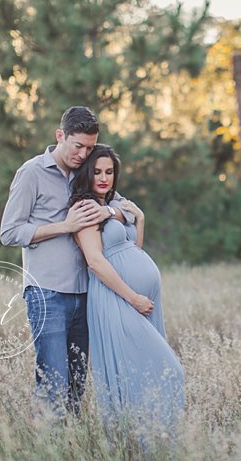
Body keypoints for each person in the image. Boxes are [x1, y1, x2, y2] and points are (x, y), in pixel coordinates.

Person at [0, 106, 121, 417]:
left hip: (86, 294)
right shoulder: (31, 173)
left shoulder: (86, 172)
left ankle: (71, 445)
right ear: (60, 136)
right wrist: (65, 226)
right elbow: (9, 232)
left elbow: (123, 206)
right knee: (53, 382)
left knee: (77, 385)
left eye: (90, 148)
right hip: (47, 293)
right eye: (77, 145)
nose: (83, 154)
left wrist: (109, 211)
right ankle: (47, 445)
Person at [70, 144, 184, 437]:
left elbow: (133, 250)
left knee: (142, 375)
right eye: (96, 172)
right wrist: (133, 297)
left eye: (109, 171)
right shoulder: (83, 207)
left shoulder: (115, 205)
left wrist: (141, 220)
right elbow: (95, 262)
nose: (103, 177)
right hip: (117, 299)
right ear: (86, 173)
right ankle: (137, 440)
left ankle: (153, 442)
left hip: (139, 300)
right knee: (169, 369)